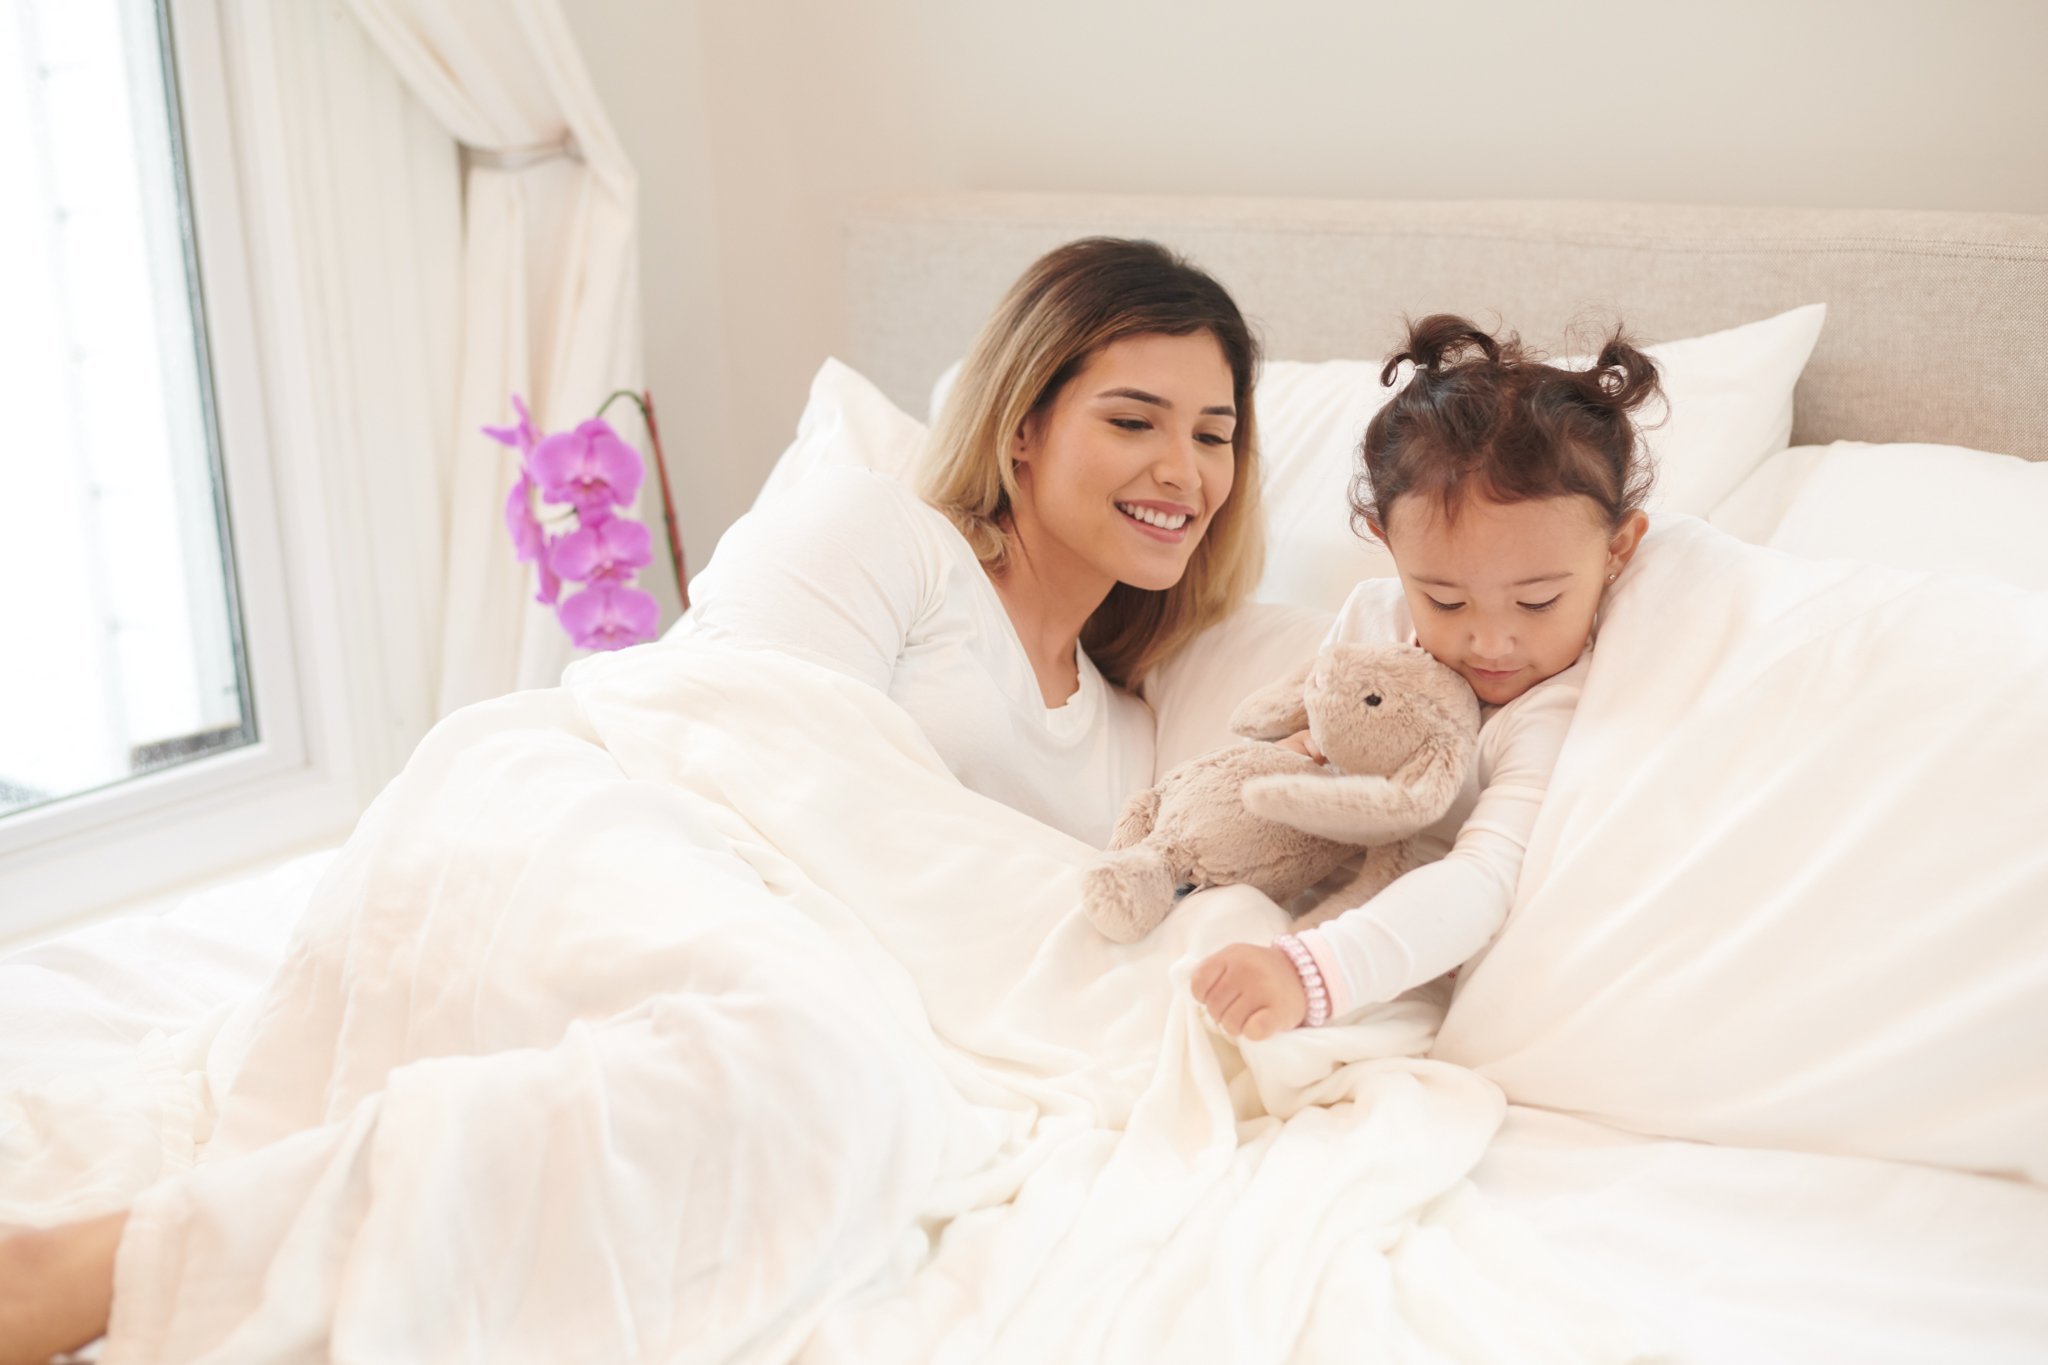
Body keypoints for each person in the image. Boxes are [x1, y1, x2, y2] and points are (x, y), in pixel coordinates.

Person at [0, 236, 1266, 1365]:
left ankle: (191, 1250)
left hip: (813, 941)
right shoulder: (883, 535)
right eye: (1134, 419)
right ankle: (91, 1269)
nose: (1182, 469)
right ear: (1024, 426)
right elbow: (735, 740)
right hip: (611, 815)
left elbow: (1031, 931)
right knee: (789, 1059)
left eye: (1213, 434)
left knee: (825, 1089)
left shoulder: (1127, 739)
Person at [1191, 314, 1658, 1040]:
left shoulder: (1553, 707)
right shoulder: (1373, 619)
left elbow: (1483, 880)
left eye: (1539, 600)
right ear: (1387, 543)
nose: (1493, 639)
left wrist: (1308, 973)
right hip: (1305, 888)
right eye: (1444, 598)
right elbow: (1305, 744)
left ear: (1619, 550)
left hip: (1392, 958)